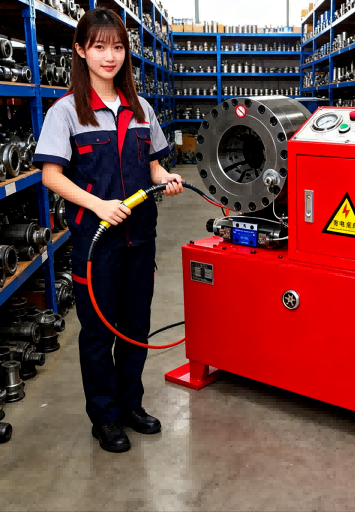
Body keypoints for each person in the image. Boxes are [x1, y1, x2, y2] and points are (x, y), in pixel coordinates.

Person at [33, 7, 183, 453]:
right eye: (99, 47)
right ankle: (105, 416)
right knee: (99, 333)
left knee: (135, 328)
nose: (109, 56)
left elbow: (153, 166)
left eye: (117, 47)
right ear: (81, 50)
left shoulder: (141, 109)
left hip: (140, 238)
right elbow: (51, 176)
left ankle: (131, 405)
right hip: (95, 243)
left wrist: (167, 179)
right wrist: (98, 205)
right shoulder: (66, 112)